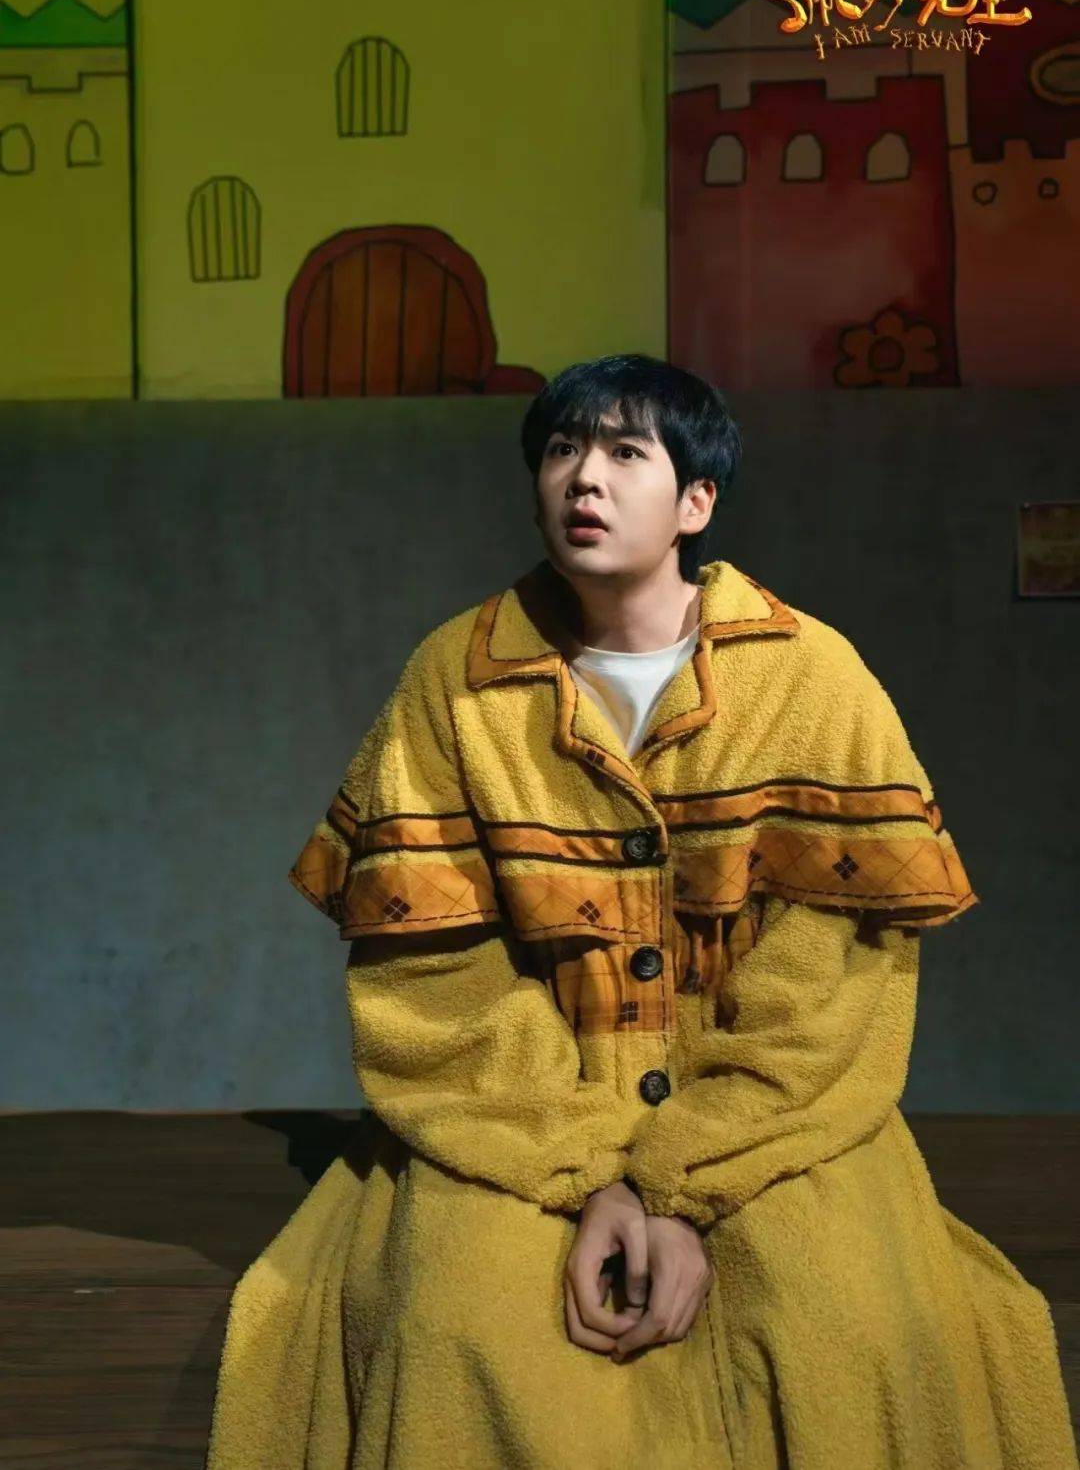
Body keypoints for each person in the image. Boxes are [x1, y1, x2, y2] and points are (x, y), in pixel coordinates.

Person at [204, 354, 1077, 1469]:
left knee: (850, 1330)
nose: (586, 478)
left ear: (696, 501)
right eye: (563, 450)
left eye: (626, 453)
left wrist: (682, 1179)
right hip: (518, 1111)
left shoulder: (814, 677)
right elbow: (433, 977)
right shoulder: (454, 681)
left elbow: (834, 976)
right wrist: (587, 1173)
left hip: (767, 1112)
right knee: (457, 1332)